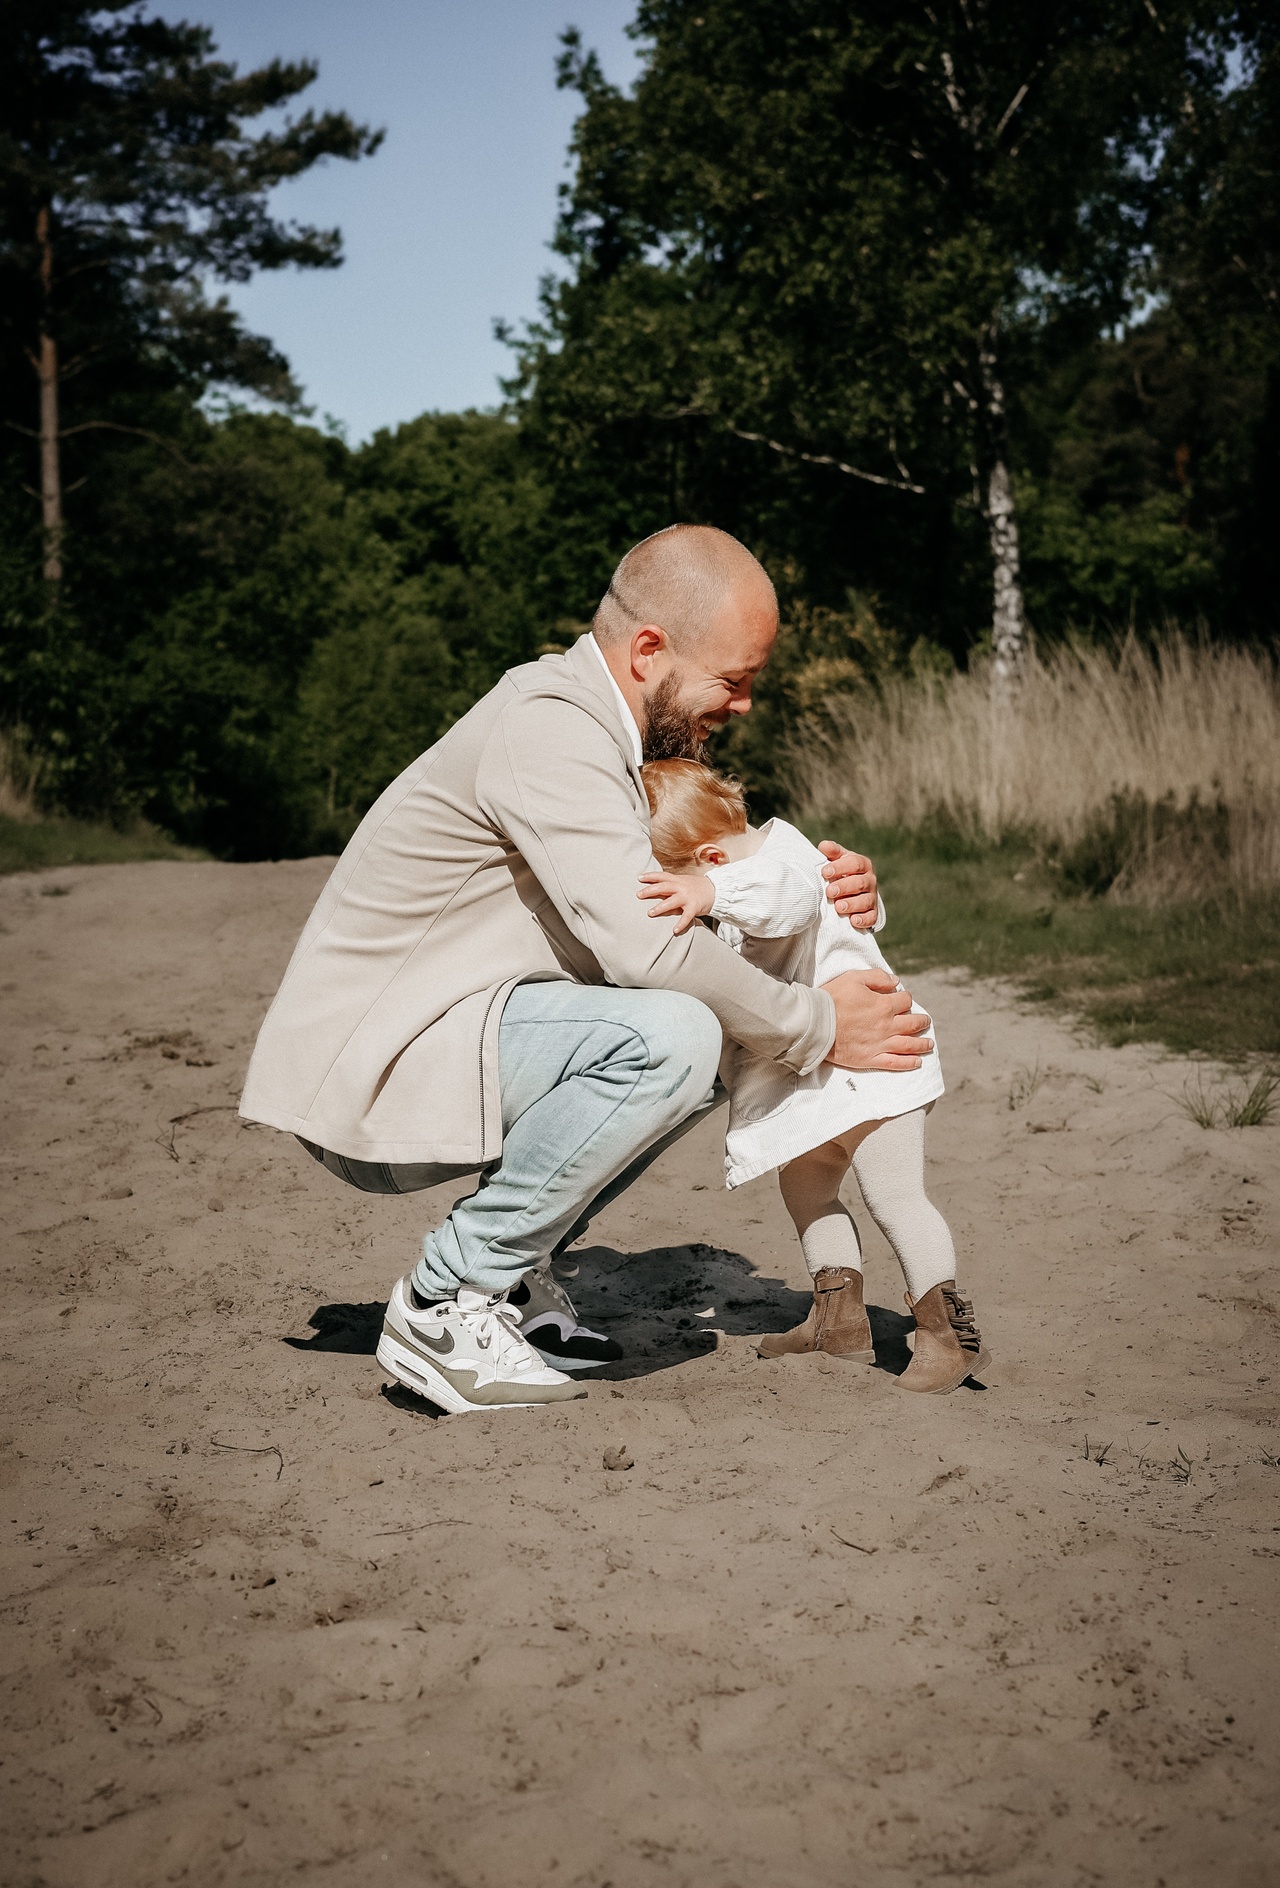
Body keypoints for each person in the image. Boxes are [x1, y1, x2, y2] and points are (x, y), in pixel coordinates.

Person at [239, 524, 935, 1415]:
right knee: (683, 1028)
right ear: (650, 650)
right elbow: (653, 952)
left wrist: (825, 891)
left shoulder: (597, 731)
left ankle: (516, 1274)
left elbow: (695, 895)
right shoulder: (550, 726)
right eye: (735, 679)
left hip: (457, 1039)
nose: (746, 704)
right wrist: (823, 1026)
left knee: (710, 1016)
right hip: (379, 1066)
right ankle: (447, 1299)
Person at [637, 758, 988, 1393]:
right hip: (819, 1075)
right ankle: (838, 1318)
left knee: (895, 1196)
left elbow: (786, 902)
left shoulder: (775, 865)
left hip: (877, 1063)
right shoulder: (751, 867)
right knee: (807, 1189)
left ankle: (945, 1330)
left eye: (676, 879)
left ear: (712, 859)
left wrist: (709, 896)